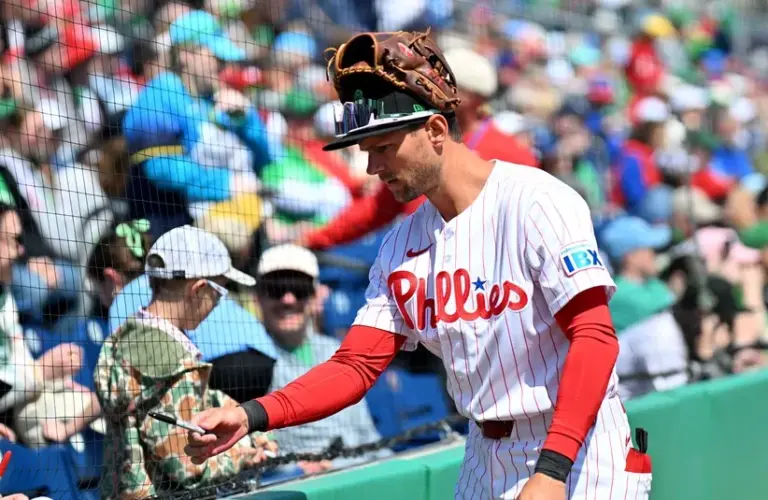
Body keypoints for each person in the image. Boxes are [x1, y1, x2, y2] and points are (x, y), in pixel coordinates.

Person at [185, 30, 652, 499]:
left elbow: (593, 337)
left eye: (383, 146)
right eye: (366, 150)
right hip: (486, 453)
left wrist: (552, 471)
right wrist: (252, 414)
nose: (372, 167)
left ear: (434, 131)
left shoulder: (536, 202)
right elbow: (354, 366)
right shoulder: (402, 244)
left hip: (580, 447)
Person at [94, 225, 276, 499]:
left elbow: (199, 403)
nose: (218, 303)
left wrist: (245, 426)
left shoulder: (122, 339)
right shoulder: (171, 362)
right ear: (199, 289)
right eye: (220, 292)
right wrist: (246, 454)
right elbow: (188, 467)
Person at [254, 244, 387, 474]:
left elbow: (367, 436)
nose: (288, 299)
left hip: (359, 475)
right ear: (258, 298)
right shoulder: (251, 361)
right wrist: (295, 470)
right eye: (276, 289)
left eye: (299, 289)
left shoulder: (338, 351)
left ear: (316, 297)